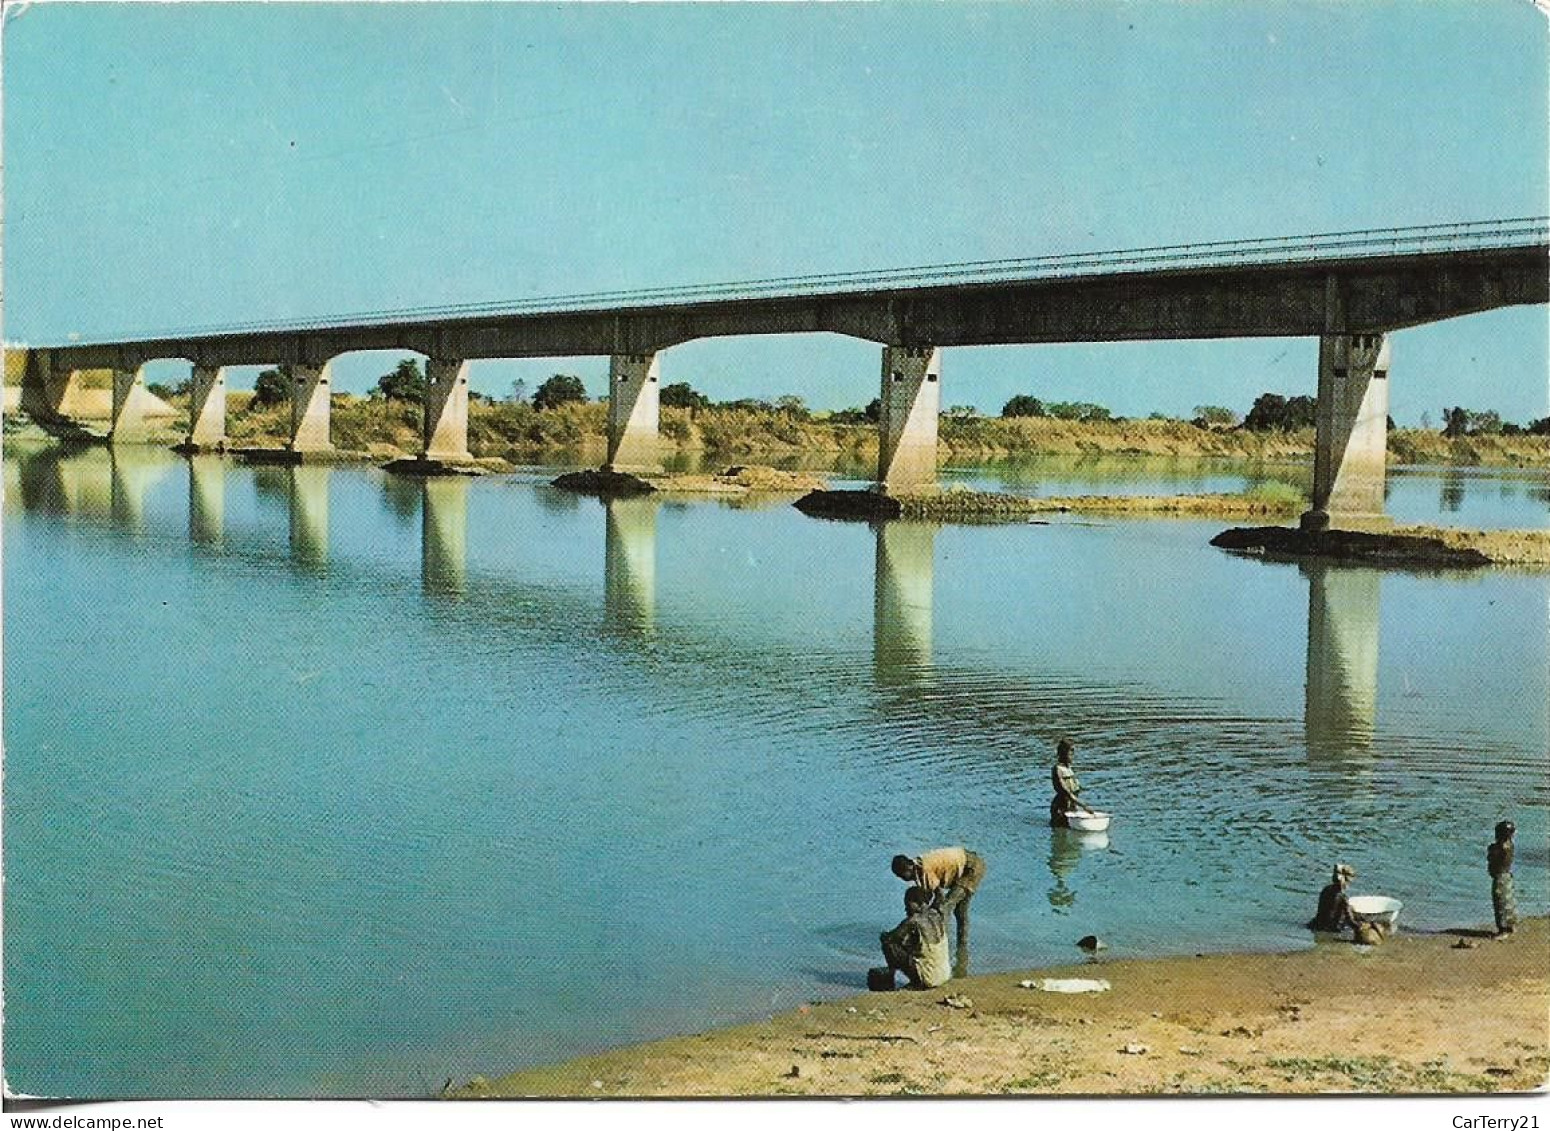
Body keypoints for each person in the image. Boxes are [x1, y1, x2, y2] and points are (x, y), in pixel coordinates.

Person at [889, 846, 987, 951]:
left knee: (945, 907)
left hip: (971, 868)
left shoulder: (924, 869)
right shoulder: (917, 866)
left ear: (908, 869)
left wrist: (927, 917)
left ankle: (938, 945)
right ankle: (962, 947)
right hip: (966, 864)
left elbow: (939, 896)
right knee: (960, 911)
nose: (903, 879)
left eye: (902, 876)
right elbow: (929, 894)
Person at [877, 884, 967, 989]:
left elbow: (892, 937)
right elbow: (940, 896)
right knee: (915, 944)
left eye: (908, 903)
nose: (906, 908)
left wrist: (884, 936)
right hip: (945, 975)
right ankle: (918, 977)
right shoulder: (937, 915)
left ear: (918, 903)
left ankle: (896, 979)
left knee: (888, 944)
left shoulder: (914, 920)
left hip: (929, 978)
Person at [1049, 737, 1093, 828]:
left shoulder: (1069, 768)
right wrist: (1084, 806)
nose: (1073, 755)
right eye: (1071, 752)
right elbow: (1067, 793)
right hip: (1060, 811)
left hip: (1071, 809)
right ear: (1064, 753)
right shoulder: (1058, 770)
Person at [1488, 820, 1516, 938]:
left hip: (1500, 877)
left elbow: (1492, 857)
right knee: (1508, 901)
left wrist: (1492, 850)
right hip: (1507, 876)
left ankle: (1503, 930)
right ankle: (1510, 926)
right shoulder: (1510, 845)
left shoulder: (1501, 848)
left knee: (1500, 902)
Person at [1308, 863, 1355, 932]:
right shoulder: (1342, 897)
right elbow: (1350, 920)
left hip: (1317, 923)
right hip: (1331, 928)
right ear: (1346, 881)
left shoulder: (1326, 889)